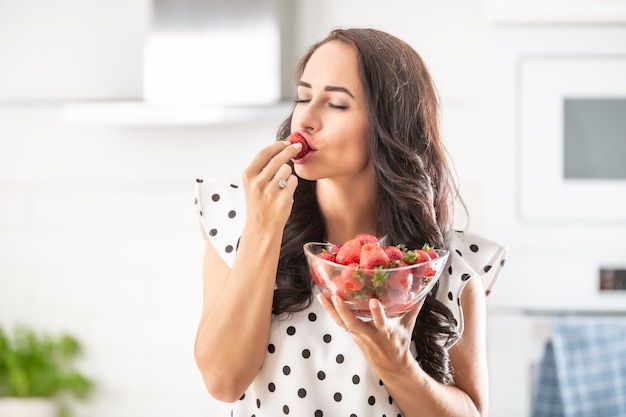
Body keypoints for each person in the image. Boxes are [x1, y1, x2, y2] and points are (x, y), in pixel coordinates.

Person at [193, 27, 507, 417]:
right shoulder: (237, 221)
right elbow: (223, 382)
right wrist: (262, 228)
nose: (304, 118)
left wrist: (398, 366)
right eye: (303, 97)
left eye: (336, 105)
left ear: (388, 127)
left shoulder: (449, 265)